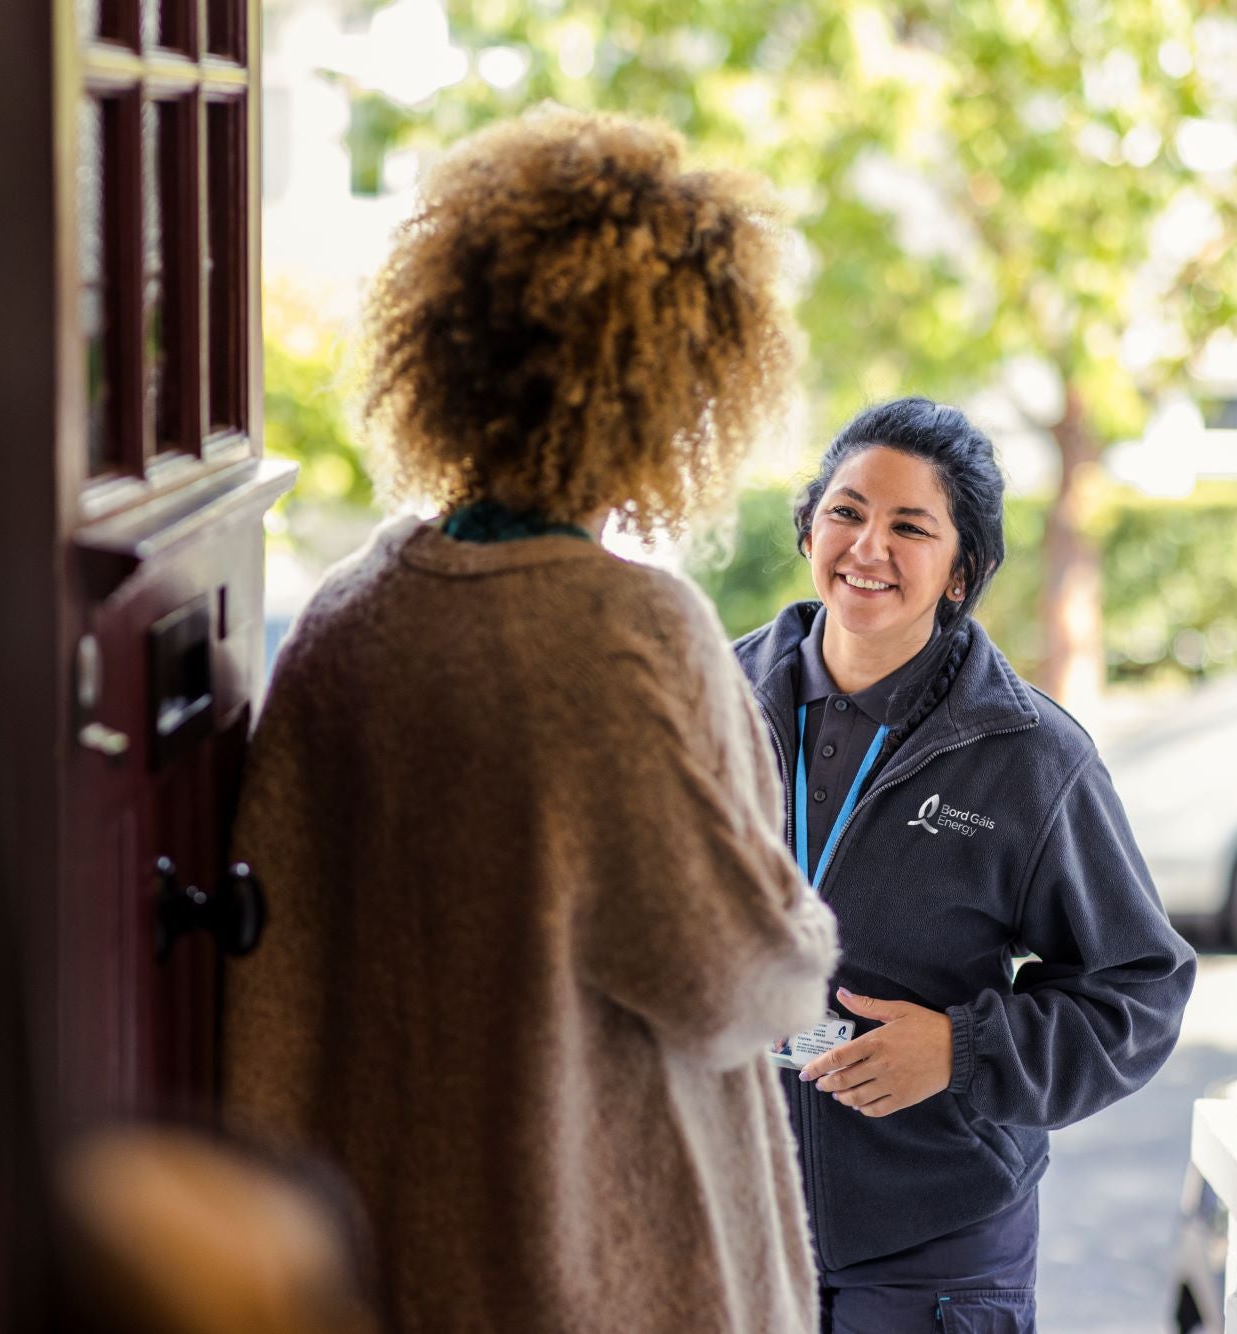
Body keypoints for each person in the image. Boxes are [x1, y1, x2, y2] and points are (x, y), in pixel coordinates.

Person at [223, 107, 838, 1334]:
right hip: (591, 1267)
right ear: (671, 389)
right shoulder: (619, 632)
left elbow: (275, 983)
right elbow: (730, 975)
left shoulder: (350, 620)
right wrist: (805, 937)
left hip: (383, 1248)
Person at [732, 398, 1198, 1333]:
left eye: (911, 526)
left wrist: (961, 1052)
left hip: (935, 1243)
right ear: (809, 526)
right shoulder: (708, 703)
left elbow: (1139, 992)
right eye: (847, 511)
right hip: (733, 1207)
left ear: (962, 570)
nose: (868, 546)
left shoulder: (1031, 757)